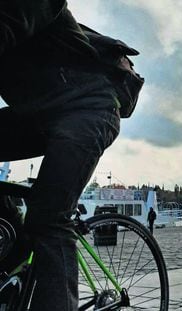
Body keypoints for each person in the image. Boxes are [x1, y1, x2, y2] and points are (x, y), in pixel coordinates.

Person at [0, 2, 122, 310]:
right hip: (36, 114)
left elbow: (8, 25)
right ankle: (14, 235)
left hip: (87, 109)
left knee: (49, 218)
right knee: (29, 228)